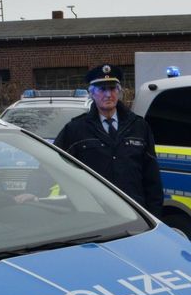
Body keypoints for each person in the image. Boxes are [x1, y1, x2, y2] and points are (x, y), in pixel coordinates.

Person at [54, 65, 164, 214]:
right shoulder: (76, 129)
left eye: (112, 89)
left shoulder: (139, 126)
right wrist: (33, 191)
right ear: (92, 94)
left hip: (135, 212)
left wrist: (154, 214)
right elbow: (53, 163)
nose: (108, 95)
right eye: (102, 89)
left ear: (119, 92)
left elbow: (152, 175)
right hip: (95, 213)